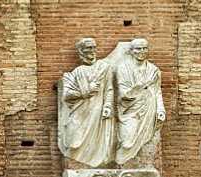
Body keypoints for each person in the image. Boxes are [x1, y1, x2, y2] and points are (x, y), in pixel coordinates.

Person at [59, 38, 115, 168]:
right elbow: (67, 95)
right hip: (80, 112)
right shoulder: (75, 73)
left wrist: (107, 106)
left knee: (97, 144)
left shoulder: (104, 68)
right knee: (74, 140)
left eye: (94, 47)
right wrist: (85, 92)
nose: (92, 51)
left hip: (98, 111)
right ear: (81, 51)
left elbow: (109, 89)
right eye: (88, 48)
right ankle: (77, 165)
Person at [115, 38, 165, 165]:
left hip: (149, 109)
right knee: (126, 142)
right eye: (138, 48)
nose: (142, 51)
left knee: (146, 140)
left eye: (144, 48)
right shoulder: (123, 69)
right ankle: (121, 168)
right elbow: (125, 94)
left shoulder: (154, 70)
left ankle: (137, 168)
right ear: (131, 51)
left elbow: (157, 91)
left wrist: (160, 109)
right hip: (129, 111)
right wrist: (146, 84)